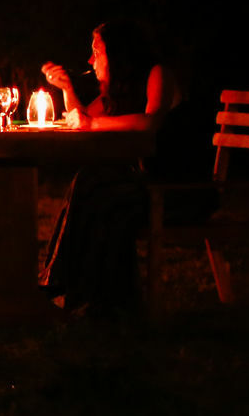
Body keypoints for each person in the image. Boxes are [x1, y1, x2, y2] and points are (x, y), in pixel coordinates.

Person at [38, 18, 183, 313]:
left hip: (174, 189)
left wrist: (92, 123)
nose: (91, 59)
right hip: (138, 185)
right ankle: (82, 294)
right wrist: (66, 88)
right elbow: (84, 118)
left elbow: (150, 122)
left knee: (95, 186)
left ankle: (65, 287)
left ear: (119, 52)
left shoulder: (157, 74)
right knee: (92, 183)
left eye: (97, 50)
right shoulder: (116, 90)